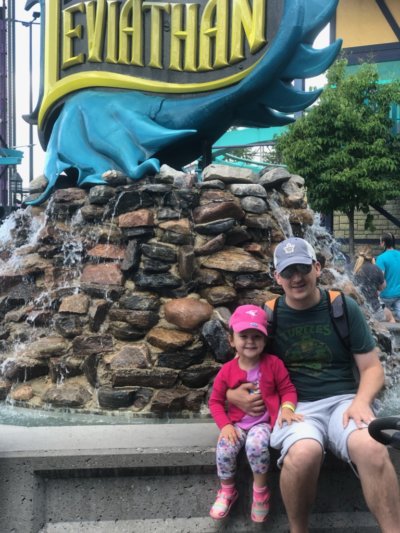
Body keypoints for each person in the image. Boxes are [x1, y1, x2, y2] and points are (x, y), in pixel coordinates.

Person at [226, 237, 400, 533]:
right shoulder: (269, 316)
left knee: (371, 447)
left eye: (302, 268)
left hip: (345, 401)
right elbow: (240, 368)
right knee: (303, 452)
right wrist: (232, 394)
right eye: (288, 271)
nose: (296, 278)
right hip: (294, 407)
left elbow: (371, 368)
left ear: (317, 268)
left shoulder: (343, 308)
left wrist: (361, 401)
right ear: (277, 276)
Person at [209, 304, 303, 523]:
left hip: (262, 424)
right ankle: (227, 490)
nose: (250, 341)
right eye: (244, 336)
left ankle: (260, 492)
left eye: (256, 336)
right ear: (232, 340)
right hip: (237, 425)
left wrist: (287, 409)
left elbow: (288, 389)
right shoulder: (227, 371)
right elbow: (215, 401)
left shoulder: (274, 364)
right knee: (224, 447)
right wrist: (225, 425)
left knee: (257, 444)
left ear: (265, 339)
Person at [353, 244, 395, 323]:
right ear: (371, 257)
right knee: (390, 317)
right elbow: (383, 286)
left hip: (356, 310)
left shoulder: (352, 269)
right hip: (374, 310)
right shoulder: (375, 268)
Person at [376, 232, 400, 321]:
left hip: (386, 296)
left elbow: (379, 278)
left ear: (383, 243)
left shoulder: (381, 258)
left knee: (384, 320)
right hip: (399, 293)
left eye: (380, 241)